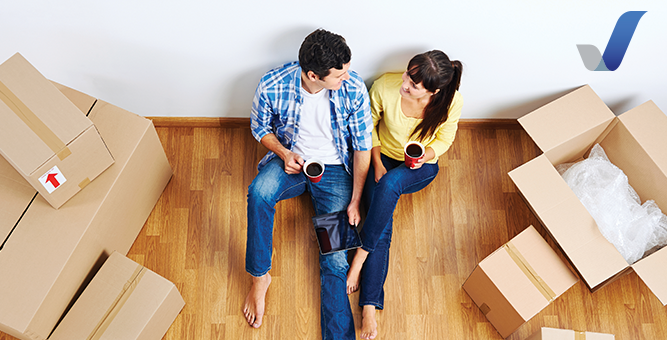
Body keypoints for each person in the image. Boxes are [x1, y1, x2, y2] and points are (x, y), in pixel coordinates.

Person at [243, 28, 373, 340]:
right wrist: (283, 153)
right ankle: (260, 278)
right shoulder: (273, 85)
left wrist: (355, 200)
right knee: (259, 193)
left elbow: (363, 148)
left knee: (335, 260)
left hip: (335, 172)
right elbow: (259, 127)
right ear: (313, 75)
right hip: (292, 163)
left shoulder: (352, 88)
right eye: (339, 75)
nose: (348, 77)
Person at [345, 50, 463, 339]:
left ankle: (360, 257)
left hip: (419, 167)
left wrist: (427, 155)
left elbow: (445, 139)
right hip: (382, 158)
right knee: (382, 222)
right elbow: (368, 129)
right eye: (408, 75)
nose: (405, 83)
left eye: (413, 84)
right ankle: (369, 305)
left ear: (433, 91)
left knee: (391, 186)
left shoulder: (451, 102)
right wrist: (375, 164)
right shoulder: (385, 87)